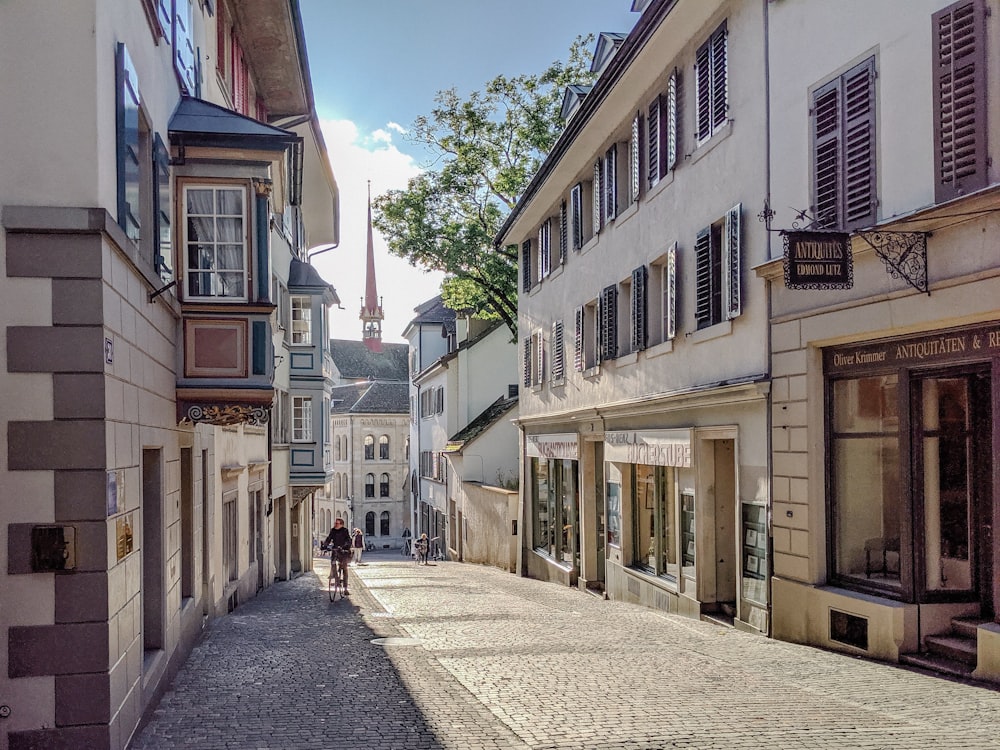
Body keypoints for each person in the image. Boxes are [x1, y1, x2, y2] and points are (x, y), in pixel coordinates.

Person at [322, 519, 353, 594]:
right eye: (335, 523)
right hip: (335, 549)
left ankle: (345, 588)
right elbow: (329, 538)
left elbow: (348, 540)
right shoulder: (333, 530)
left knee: (344, 568)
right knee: (333, 563)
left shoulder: (345, 530)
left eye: (337, 523)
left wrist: (344, 546)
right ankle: (336, 579)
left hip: (343, 550)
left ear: (341, 524)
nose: (335, 524)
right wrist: (325, 545)